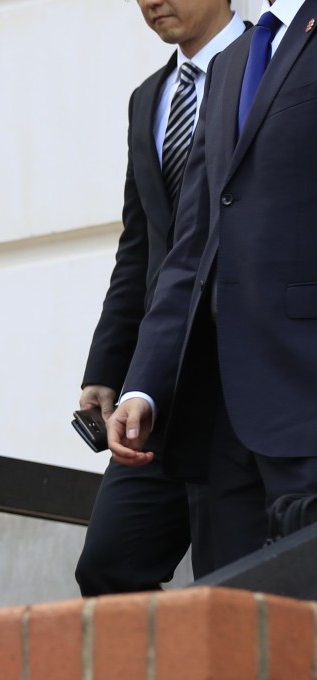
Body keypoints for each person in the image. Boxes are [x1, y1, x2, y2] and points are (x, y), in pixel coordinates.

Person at [109, 0, 317, 572]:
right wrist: (143, 386)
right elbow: (190, 249)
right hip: (222, 419)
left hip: (304, 396)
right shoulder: (233, 65)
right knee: (233, 630)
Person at [75, 0, 246, 595]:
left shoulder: (274, 64)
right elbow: (141, 246)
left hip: (244, 377)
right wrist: (109, 365)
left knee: (233, 582)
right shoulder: (148, 97)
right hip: (160, 380)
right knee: (109, 564)